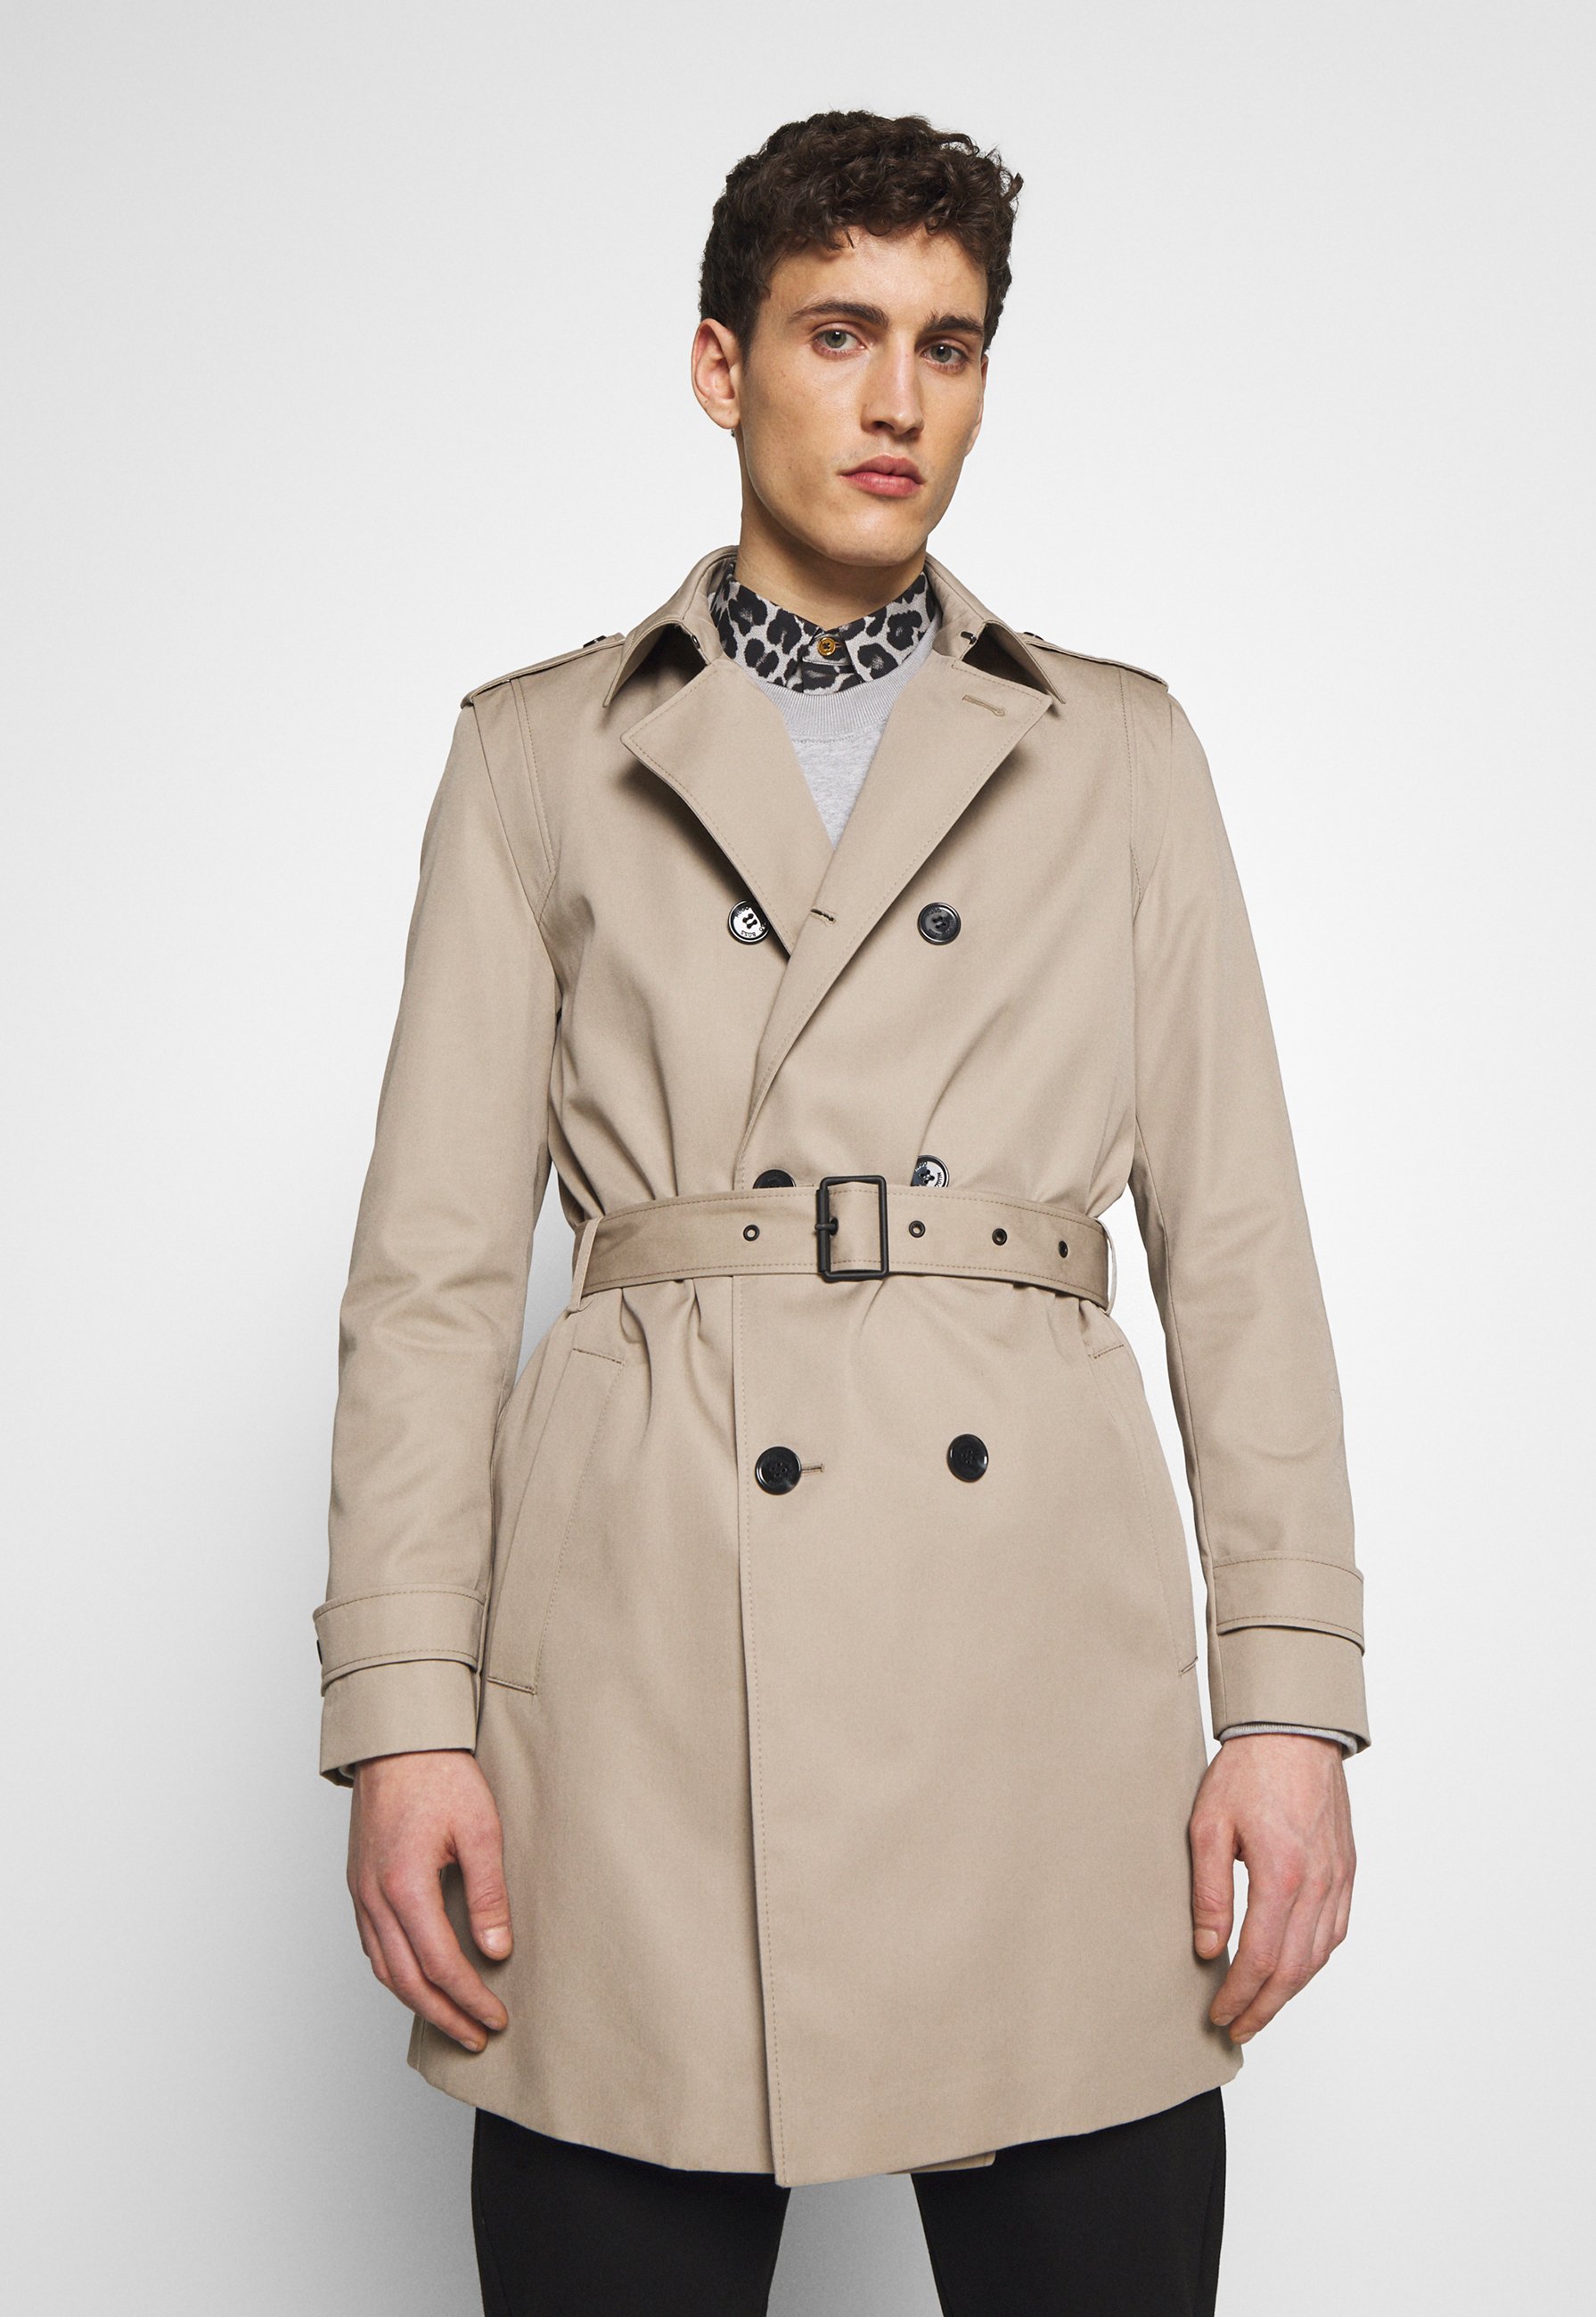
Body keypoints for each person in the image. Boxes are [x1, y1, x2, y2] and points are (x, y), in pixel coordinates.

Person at [314, 110, 1367, 2316]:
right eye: (837, 333)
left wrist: (1287, 1706)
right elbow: (427, 1284)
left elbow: (1239, 1250)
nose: (896, 400)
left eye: (947, 346)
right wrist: (404, 1712)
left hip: (1036, 1684)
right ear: (721, 364)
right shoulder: (537, 753)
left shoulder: (1118, 754)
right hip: (645, 1682)